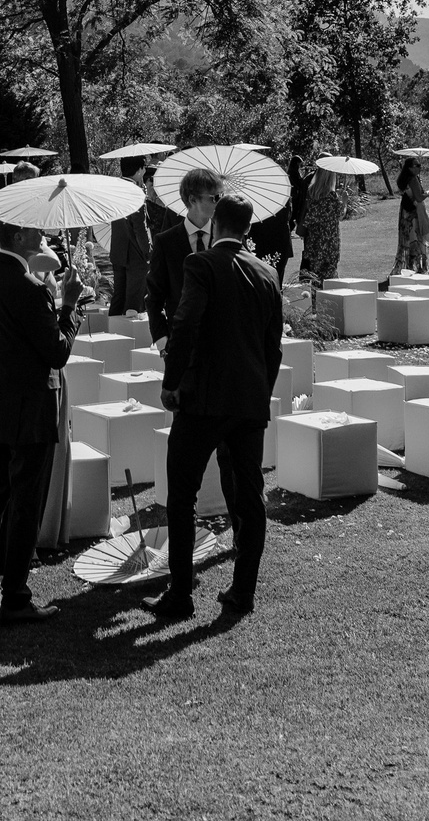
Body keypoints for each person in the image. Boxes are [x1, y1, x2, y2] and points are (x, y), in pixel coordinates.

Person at [153, 191, 281, 619]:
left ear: (218, 226)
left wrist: (172, 384)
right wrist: (261, 393)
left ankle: (180, 594)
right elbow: (273, 348)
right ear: (247, 229)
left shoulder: (201, 264)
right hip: (248, 401)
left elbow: (186, 324)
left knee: (182, 496)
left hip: (203, 399)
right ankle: (243, 592)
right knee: (249, 499)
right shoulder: (267, 272)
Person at [0, 215, 82, 625]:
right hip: (28, 412)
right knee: (25, 504)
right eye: (36, 229)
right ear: (22, 236)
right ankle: (15, 597)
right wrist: (69, 306)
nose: (43, 233)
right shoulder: (29, 288)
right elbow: (57, 352)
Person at [148, 167, 221, 342]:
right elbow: (154, 298)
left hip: (221, 345)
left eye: (221, 197)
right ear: (192, 199)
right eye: (214, 198)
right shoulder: (166, 242)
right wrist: (163, 343)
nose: (219, 203)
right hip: (181, 343)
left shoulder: (227, 237)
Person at [106, 157, 154, 314]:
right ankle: (129, 336)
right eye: (144, 168)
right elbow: (140, 226)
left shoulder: (114, 188)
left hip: (118, 249)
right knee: (134, 298)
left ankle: (111, 330)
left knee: (118, 296)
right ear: (139, 170)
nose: (145, 171)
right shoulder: (135, 192)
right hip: (135, 252)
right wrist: (148, 252)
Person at [247, 149, 296, 284]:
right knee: (275, 283)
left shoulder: (253, 191)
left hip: (260, 240)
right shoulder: (282, 189)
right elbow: (289, 215)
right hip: (279, 240)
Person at [299, 160, 343, 282]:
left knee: (314, 274)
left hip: (314, 240)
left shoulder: (312, 192)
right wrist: (343, 201)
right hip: (329, 241)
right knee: (328, 278)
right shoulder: (331, 196)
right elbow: (339, 214)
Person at [395, 156, 429, 276]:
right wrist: (427, 193)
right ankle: (421, 267)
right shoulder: (412, 179)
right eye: (417, 165)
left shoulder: (404, 179)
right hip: (414, 213)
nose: (420, 168)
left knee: (409, 239)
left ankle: (409, 266)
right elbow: (419, 197)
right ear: (410, 168)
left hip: (405, 212)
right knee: (418, 238)